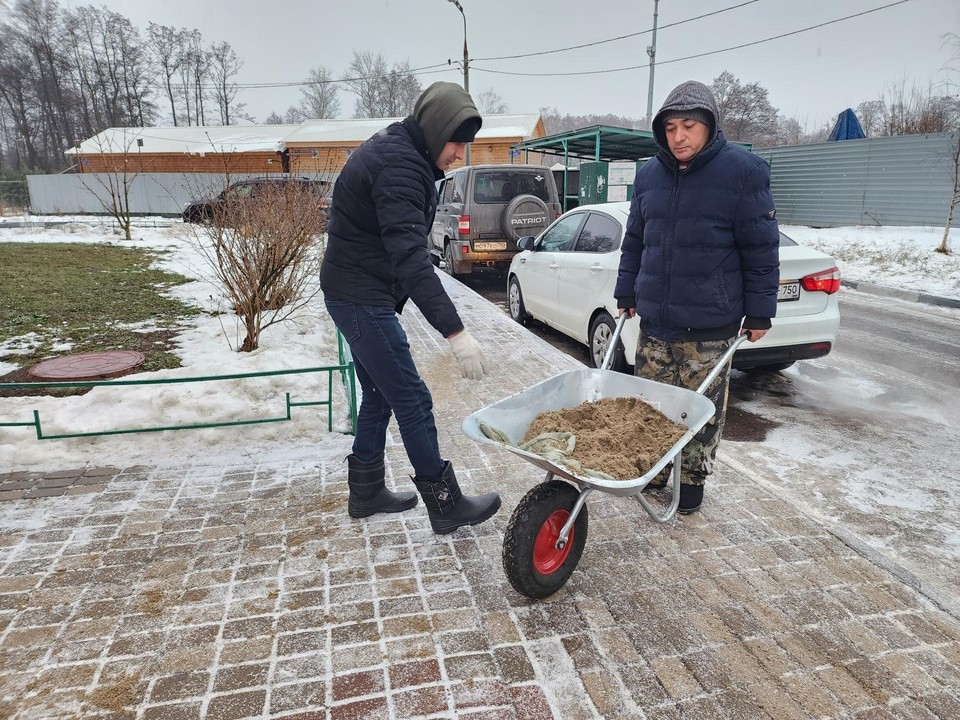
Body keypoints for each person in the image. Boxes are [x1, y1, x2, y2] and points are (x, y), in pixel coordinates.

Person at [319, 81, 501, 534]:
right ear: (436, 129)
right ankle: (444, 504)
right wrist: (456, 333)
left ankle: (365, 491)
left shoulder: (403, 151)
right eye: (457, 141)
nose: (460, 154)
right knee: (412, 397)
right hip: (361, 298)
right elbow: (411, 259)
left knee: (380, 394)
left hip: (354, 290)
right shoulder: (400, 165)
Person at [614, 80, 780, 514]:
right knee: (651, 406)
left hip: (710, 325)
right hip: (655, 320)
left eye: (688, 126)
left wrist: (760, 312)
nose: (679, 137)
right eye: (670, 128)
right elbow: (635, 241)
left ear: (709, 126)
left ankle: (690, 482)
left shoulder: (743, 172)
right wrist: (626, 290)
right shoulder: (649, 174)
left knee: (698, 410)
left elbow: (760, 248)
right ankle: (653, 470)